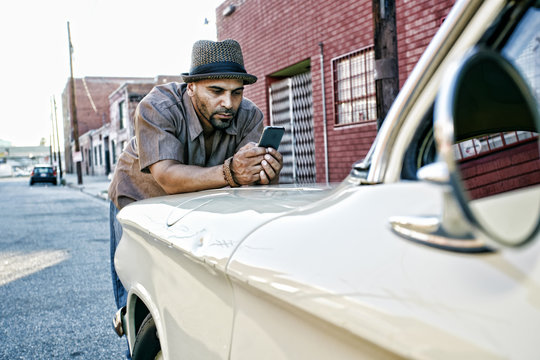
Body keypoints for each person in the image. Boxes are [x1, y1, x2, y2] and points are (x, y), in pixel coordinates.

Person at [108, 39, 283, 314]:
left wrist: (264, 174)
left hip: (196, 207)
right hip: (138, 201)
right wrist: (232, 172)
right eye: (216, 91)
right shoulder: (158, 106)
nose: (229, 103)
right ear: (191, 87)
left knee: (188, 295)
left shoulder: (249, 116)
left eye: (236, 93)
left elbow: (247, 188)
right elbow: (167, 176)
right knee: (137, 295)